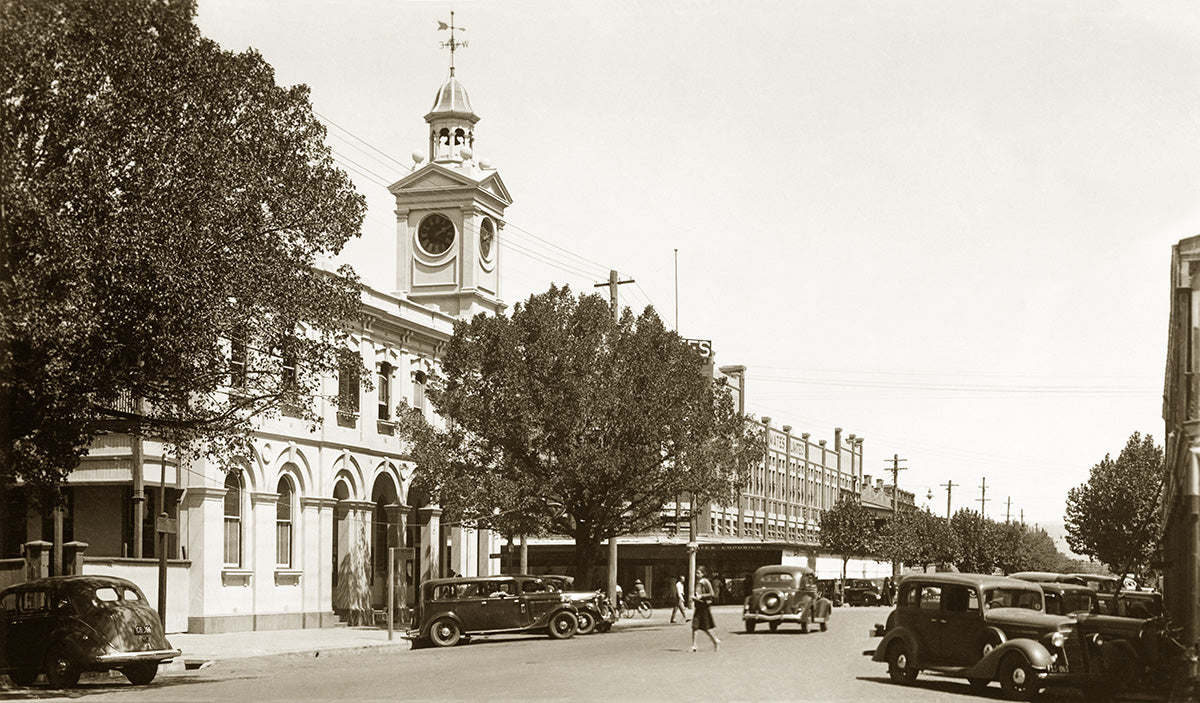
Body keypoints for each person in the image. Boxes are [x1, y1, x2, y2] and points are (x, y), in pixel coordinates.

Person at [690, 566, 720, 652]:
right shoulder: (698, 582)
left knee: (706, 628)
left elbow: (712, 593)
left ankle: (715, 641)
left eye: (698, 573)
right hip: (698, 607)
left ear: (703, 573)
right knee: (694, 626)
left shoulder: (705, 582)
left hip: (704, 608)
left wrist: (701, 596)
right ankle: (694, 646)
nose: (696, 574)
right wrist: (694, 598)